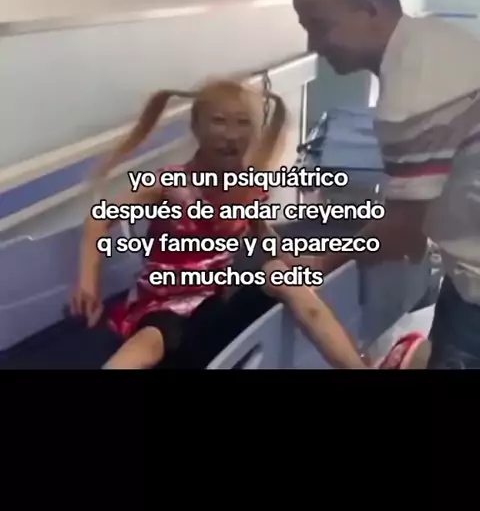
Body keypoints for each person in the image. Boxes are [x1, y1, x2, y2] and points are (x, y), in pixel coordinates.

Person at [69, 78, 371, 369]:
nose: (231, 135)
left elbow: (262, 233)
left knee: (283, 276)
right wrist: (88, 281)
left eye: (243, 123)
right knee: (151, 342)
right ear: (196, 127)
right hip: (161, 307)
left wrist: (300, 261)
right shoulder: (169, 182)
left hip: (211, 307)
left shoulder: (249, 187)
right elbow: (98, 218)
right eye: (219, 121)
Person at [289, 0, 480, 369]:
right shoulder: (436, 38)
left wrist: (318, 262)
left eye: (320, 25)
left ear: (371, 8)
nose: (313, 43)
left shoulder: (413, 99)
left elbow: (402, 237)